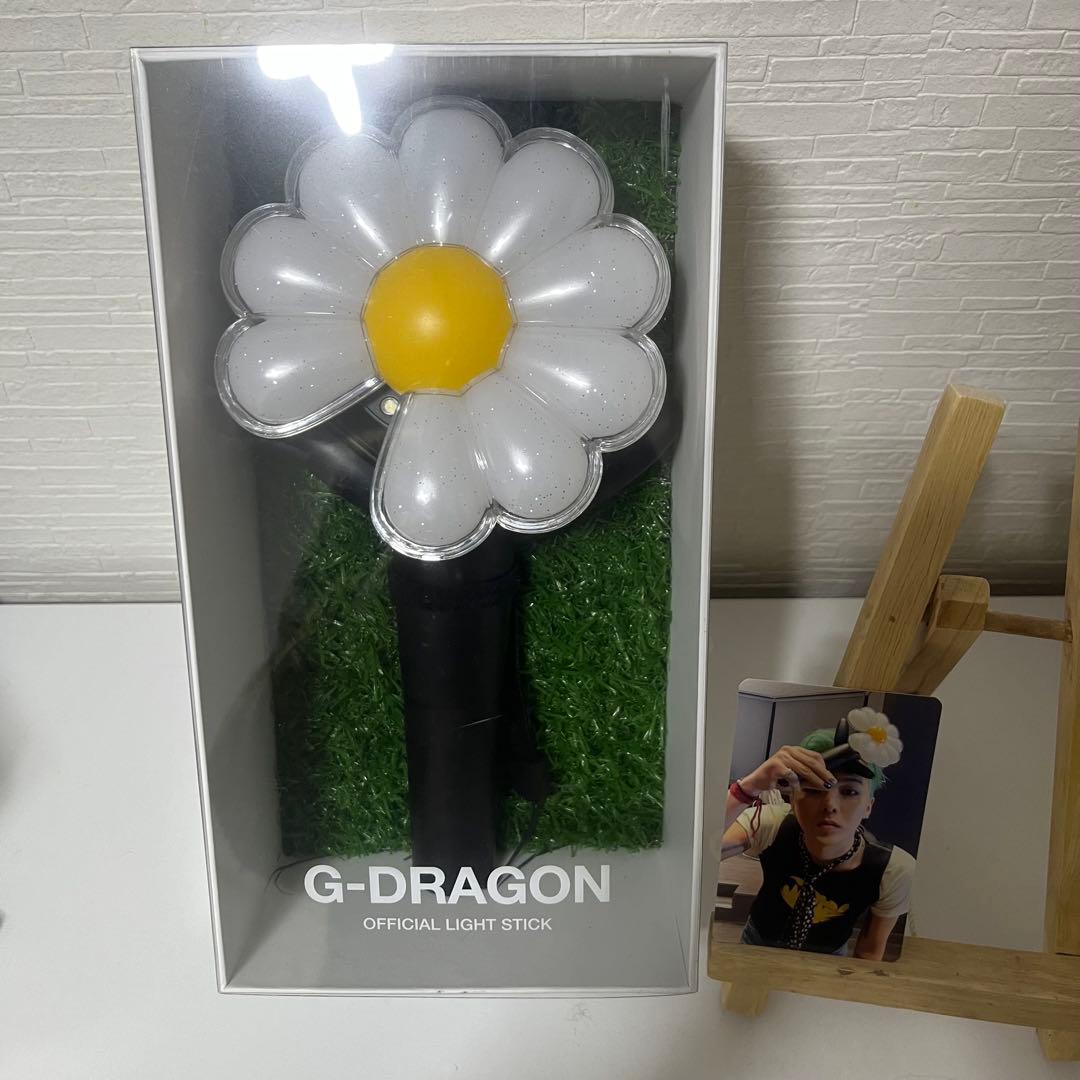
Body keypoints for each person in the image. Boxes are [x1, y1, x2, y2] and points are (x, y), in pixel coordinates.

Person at [720, 729, 915, 961]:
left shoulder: (893, 869)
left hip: (829, 958)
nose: (830, 805)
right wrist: (748, 787)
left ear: (868, 807)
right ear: (793, 799)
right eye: (813, 789)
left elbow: (870, 951)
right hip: (757, 943)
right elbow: (700, 850)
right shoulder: (771, 823)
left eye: (849, 791)